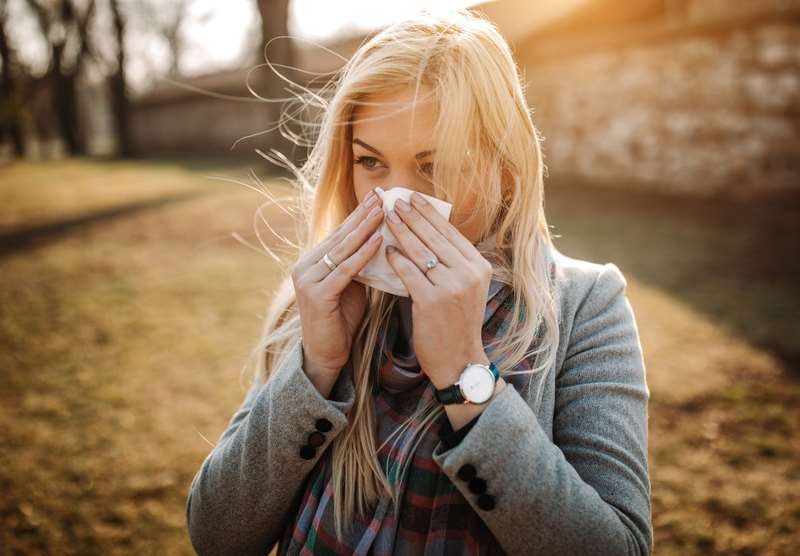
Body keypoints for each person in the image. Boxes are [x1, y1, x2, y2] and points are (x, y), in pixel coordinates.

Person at [186, 8, 652, 556]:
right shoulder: (319, 301)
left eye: (433, 166)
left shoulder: (584, 308)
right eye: (371, 163)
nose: (396, 204)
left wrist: (465, 374)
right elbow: (216, 534)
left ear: (505, 166)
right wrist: (315, 369)